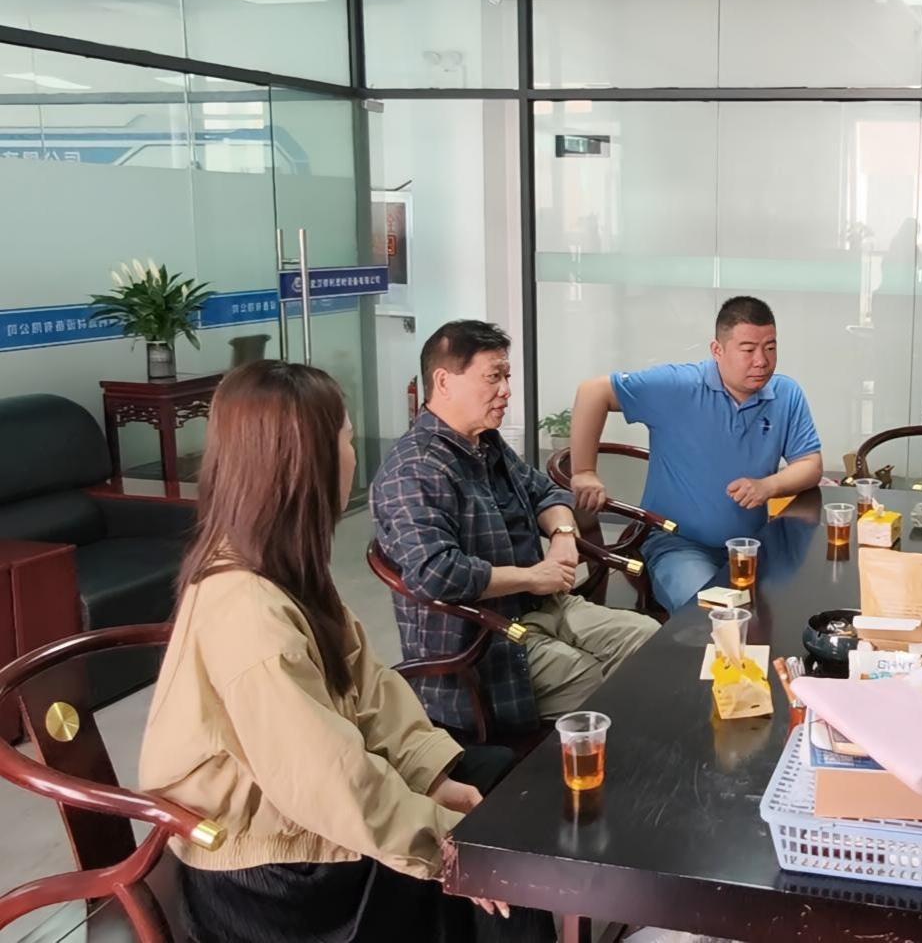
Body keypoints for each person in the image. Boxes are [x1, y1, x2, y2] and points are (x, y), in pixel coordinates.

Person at [139, 361, 553, 943]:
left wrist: (432, 774)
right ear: (306, 464)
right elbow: (325, 780)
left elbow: (369, 685)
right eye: (348, 440)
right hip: (273, 876)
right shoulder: (247, 610)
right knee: (492, 854)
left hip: (301, 817)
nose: (356, 457)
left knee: (495, 779)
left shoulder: (279, 565)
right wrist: (444, 843)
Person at [372, 320, 657, 738]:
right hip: (485, 638)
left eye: (507, 376)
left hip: (544, 606)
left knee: (649, 641)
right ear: (444, 381)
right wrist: (533, 576)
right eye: (493, 377)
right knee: (598, 683)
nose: (506, 390)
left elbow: (546, 491)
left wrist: (562, 537)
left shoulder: (485, 443)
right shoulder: (415, 469)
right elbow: (437, 573)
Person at [569, 295, 824, 612]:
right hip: (679, 545)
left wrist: (767, 486)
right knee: (716, 615)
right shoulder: (679, 386)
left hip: (752, 544)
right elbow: (593, 392)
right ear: (718, 350)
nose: (762, 360)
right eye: (748, 350)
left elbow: (810, 464)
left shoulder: (786, 393)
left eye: (770, 348)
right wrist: (584, 471)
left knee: (805, 603)